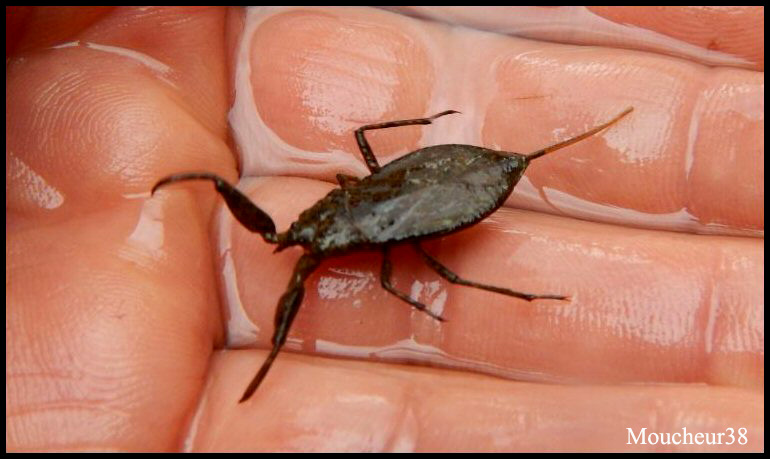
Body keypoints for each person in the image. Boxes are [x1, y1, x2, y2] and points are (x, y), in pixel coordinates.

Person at [6, 6, 763, 452]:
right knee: (435, 260)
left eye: (305, 238)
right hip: (431, 184)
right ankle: (529, 283)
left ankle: (532, 285)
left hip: (447, 185)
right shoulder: (340, 221)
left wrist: (411, 293)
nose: (299, 247)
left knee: (447, 273)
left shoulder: (364, 246)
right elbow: (368, 145)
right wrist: (208, 182)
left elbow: (402, 261)